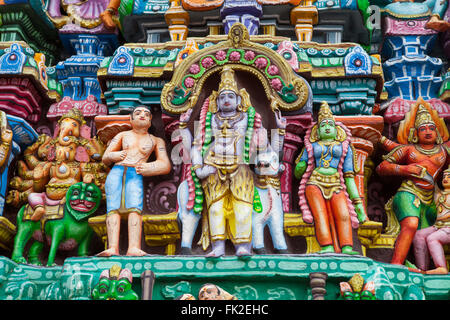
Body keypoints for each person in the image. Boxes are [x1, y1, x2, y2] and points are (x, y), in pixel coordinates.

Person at [377, 101, 450, 267]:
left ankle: (423, 270)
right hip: (409, 192)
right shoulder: (409, 150)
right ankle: (396, 264)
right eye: (423, 129)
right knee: (411, 225)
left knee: (422, 237)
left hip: (431, 197)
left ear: (438, 131)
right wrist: (406, 169)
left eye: (431, 128)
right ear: (415, 133)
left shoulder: (444, 151)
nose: (428, 132)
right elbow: (382, 167)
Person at [97, 106, 171, 256]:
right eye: (137, 113)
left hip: (135, 173)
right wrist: (115, 156)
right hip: (117, 171)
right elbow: (106, 157)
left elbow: (165, 165)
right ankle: (113, 247)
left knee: (135, 209)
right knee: (112, 209)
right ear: (131, 119)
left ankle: (133, 247)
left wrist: (149, 167)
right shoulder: (123, 135)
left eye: (146, 114)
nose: (142, 115)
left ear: (151, 121)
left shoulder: (156, 141)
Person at [295, 101, 367, 254]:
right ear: (317, 131)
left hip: (336, 183)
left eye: (330, 125)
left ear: (337, 130)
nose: (327, 127)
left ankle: (347, 247)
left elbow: (349, 177)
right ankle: (326, 245)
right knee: (320, 215)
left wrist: (358, 203)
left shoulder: (345, 148)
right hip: (315, 182)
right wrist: (300, 167)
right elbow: (298, 171)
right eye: (323, 125)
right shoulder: (311, 147)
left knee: (343, 214)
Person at [412, 167, 450, 274]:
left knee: (433, 238)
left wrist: (444, 217)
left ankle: (441, 267)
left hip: (448, 227)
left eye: (449, 177)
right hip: (439, 226)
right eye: (444, 176)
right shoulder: (439, 194)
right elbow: (432, 185)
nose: (446, 179)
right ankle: (422, 269)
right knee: (418, 235)